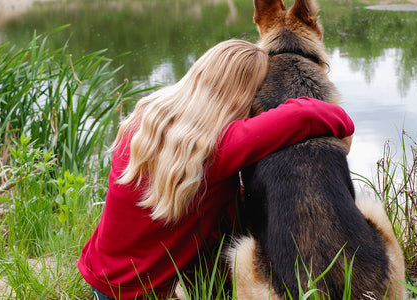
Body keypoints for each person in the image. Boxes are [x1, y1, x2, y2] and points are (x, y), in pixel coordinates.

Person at [77, 39, 354, 300]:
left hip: (100, 277)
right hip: (143, 292)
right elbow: (307, 114)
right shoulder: (220, 145)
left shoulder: (147, 117)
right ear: (243, 94)